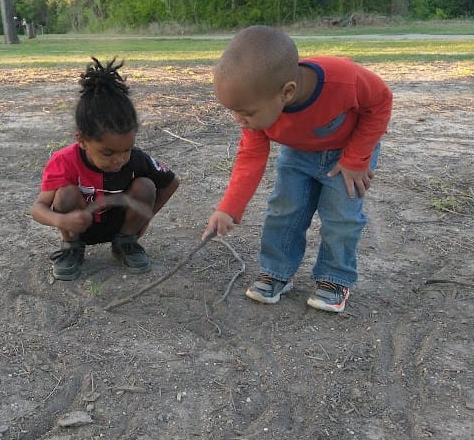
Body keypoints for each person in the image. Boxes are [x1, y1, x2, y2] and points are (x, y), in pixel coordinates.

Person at [203, 25, 393, 313]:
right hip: (298, 154)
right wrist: (228, 208)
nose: (239, 120)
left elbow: (380, 101)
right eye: (234, 111)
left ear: (287, 92)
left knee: (341, 217)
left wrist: (356, 159)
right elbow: (250, 159)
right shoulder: (255, 112)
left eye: (246, 112)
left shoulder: (342, 79)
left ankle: (334, 279)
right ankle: (276, 271)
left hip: (346, 156)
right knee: (284, 210)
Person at [31, 57, 180, 281]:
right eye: (108, 153)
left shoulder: (136, 159)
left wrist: (146, 217)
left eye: (126, 150)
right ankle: (72, 246)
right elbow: (38, 208)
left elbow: (171, 183)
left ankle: (125, 244)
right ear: (82, 140)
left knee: (146, 185)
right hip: (80, 225)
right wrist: (61, 221)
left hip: (122, 226)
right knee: (66, 193)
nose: (119, 160)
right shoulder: (64, 160)